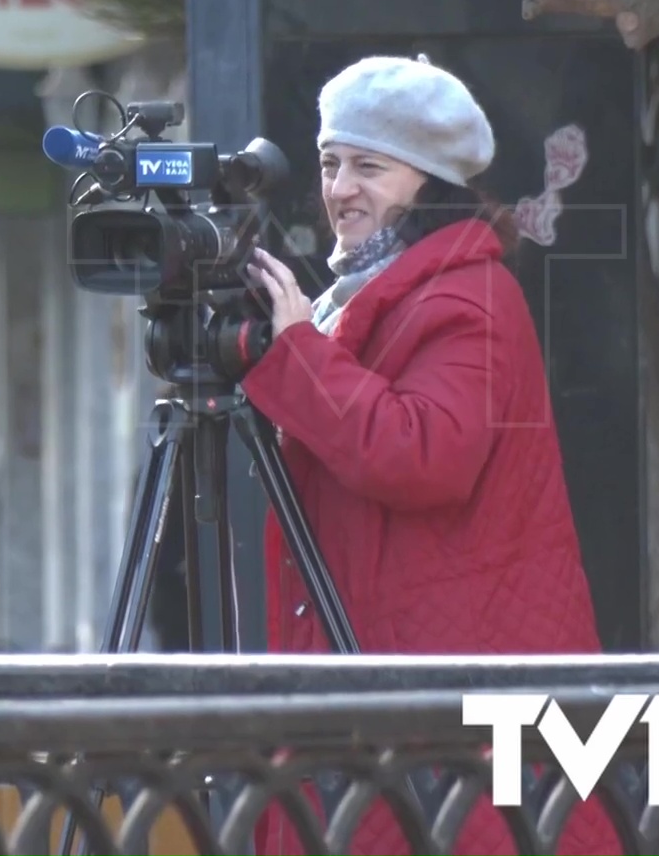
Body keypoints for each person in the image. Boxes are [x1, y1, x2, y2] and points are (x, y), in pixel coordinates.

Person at [239, 55, 607, 856]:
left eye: (371, 167)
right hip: (399, 684)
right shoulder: (369, 295)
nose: (340, 188)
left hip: (450, 698)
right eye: (332, 162)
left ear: (430, 181)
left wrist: (299, 352)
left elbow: (422, 456)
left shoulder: (468, 295)